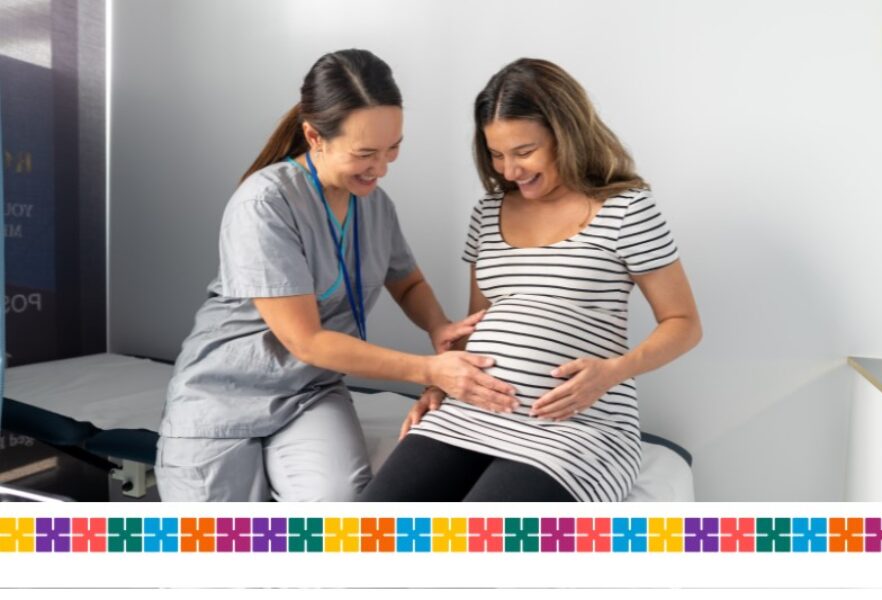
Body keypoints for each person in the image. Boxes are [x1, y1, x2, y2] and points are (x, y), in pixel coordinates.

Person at [154, 49, 517, 502]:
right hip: (222, 397)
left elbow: (408, 282)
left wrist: (438, 326)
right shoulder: (264, 203)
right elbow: (306, 341)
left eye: (393, 149)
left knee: (342, 521)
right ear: (314, 136)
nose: (381, 169)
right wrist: (430, 370)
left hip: (310, 392)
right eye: (365, 153)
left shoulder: (374, 204)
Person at [360, 58, 702, 502]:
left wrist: (613, 372)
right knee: (369, 530)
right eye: (496, 155)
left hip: (574, 427)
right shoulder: (488, 212)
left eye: (524, 152)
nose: (509, 170)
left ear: (567, 135)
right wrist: (438, 384)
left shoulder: (626, 210)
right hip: (471, 414)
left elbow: (683, 322)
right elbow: (475, 322)